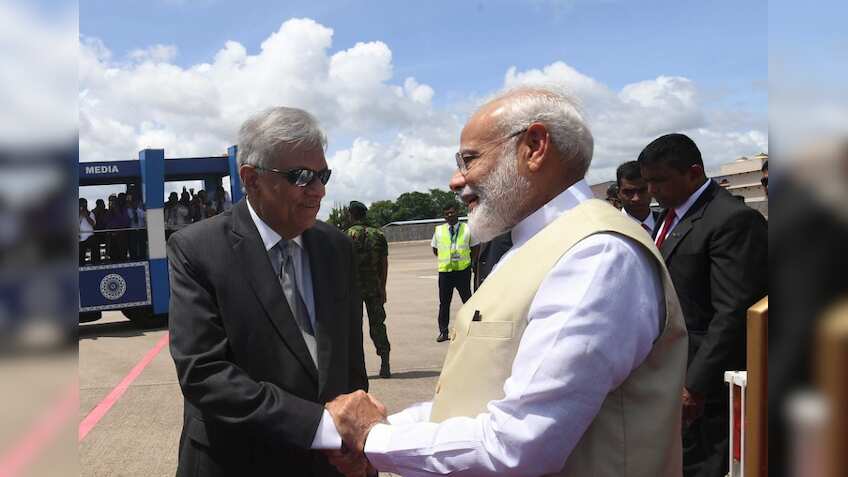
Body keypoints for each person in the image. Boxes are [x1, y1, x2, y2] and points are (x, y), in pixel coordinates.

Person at [323, 87, 689, 477]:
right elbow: (480, 400)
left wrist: (374, 438)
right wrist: (386, 431)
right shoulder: (534, 244)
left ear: (534, 146)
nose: (455, 179)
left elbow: (519, 443)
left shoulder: (595, 255)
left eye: (469, 159)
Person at [167, 106, 367, 476]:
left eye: (323, 175)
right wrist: (318, 426)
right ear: (251, 179)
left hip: (329, 464)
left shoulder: (337, 247)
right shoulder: (197, 249)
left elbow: (351, 361)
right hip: (235, 462)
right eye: (302, 177)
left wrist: (357, 441)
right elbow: (203, 372)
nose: (319, 190)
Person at [637, 133, 767, 477]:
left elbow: (732, 311)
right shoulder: (669, 216)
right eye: (647, 181)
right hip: (667, 370)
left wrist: (695, 385)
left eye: (659, 181)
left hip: (703, 387)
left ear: (693, 173)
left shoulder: (730, 220)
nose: (651, 190)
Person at [345, 200, 392, 378]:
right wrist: (383, 287)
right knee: (378, 325)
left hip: (353, 290)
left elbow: (342, 265)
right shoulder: (378, 235)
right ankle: (385, 363)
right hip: (374, 287)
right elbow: (384, 264)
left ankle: (357, 368)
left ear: (351, 214)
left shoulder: (346, 235)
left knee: (353, 328)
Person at [430, 205, 479, 342]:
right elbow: (435, 249)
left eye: (452, 212)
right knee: (444, 303)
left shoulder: (467, 228)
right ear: (444, 216)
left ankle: (473, 328)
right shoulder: (439, 230)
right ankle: (443, 332)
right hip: (445, 272)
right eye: (447, 213)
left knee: (468, 300)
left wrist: (471, 262)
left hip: (463, 271)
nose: (450, 215)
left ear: (457, 213)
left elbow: (475, 246)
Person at [616, 160, 660, 234]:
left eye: (642, 190)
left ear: (652, 189)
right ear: (618, 193)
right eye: (628, 192)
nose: (636, 198)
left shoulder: (669, 224)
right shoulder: (609, 229)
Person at [126, 193, 147, 260]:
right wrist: (133, 210)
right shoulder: (129, 210)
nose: (134, 203)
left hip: (141, 229)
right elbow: (130, 217)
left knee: (142, 245)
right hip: (133, 230)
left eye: (136, 202)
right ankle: (133, 258)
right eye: (133, 202)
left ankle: (142, 257)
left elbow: (144, 216)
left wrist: (137, 209)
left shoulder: (142, 209)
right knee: (133, 246)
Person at [79, 198, 98, 265]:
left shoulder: (90, 213)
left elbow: (93, 224)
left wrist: (86, 216)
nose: (83, 206)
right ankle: (81, 264)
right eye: (81, 204)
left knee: (94, 242)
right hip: (80, 237)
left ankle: (94, 262)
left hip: (90, 236)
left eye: (84, 204)